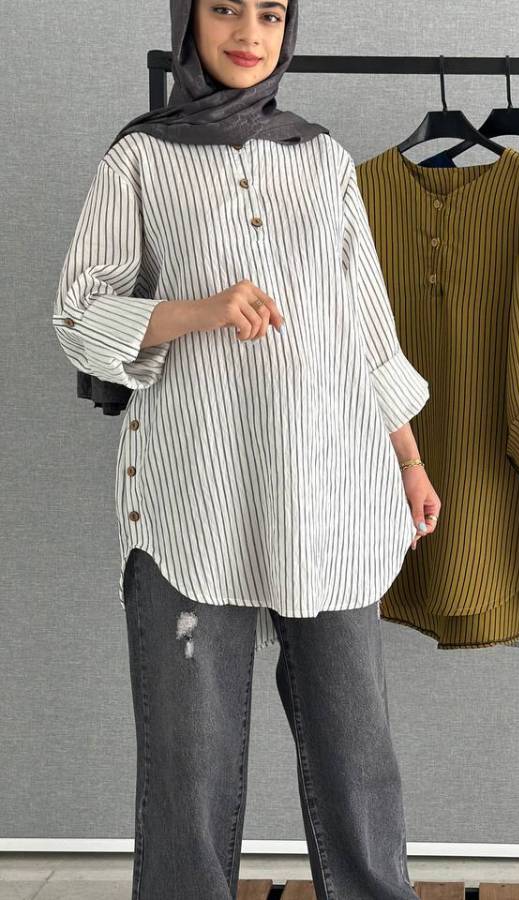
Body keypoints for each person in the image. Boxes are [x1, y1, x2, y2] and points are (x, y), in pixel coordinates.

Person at [51, 0, 441, 897]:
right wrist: (202, 310)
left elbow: (367, 328)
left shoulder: (323, 159)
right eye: (225, 8)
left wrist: (410, 461)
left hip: (330, 486)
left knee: (359, 755)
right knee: (188, 767)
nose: (249, 33)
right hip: (195, 495)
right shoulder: (140, 159)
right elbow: (78, 316)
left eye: (270, 13)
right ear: (189, 19)